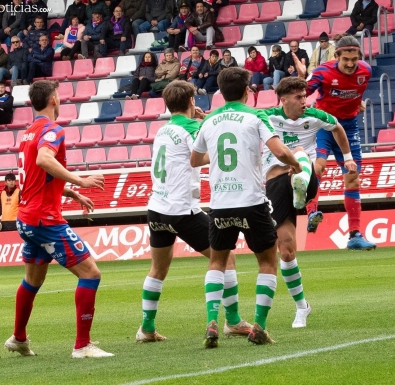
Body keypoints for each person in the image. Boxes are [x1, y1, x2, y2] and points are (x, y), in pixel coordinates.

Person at [190, 67, 303, 347]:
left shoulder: (210, 120)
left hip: (220, 205)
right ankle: (260, 327)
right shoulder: (256, 115)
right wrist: (297, 164)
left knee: (217, 262)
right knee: (267, 262)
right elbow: (279, 151)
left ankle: (212, 322)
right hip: (251, 202)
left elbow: (194, 159)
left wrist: (216, 158)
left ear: (220, 92)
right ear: (246, 91)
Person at [3, 80, 113, 359]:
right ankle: (82, 346)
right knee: (91, 273)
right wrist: (81, 180)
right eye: (59, 96)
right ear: (53, 100)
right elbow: (44, 160)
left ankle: (18, 338)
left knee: (32, 280)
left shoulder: (28, 132)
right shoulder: (53, 130)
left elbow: (37, 178)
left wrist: (72, 193)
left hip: (27, 219)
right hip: (44, 220)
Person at [137, 80, 252, 342]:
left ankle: (146, 328)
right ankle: (232, 321)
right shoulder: (192, 128)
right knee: (226, 258)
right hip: (182, 210)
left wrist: (201, 121)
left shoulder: (163, 131)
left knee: (157, 269)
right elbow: (219, 149)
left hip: (157, 209)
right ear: (192, 101)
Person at [262, 77, 356, 327]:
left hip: (306, 173)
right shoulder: (267, 116)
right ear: (283, 100)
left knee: (301, 154)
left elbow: (337, 127)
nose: (305, 101)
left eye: (305, 96)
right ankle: (302, 307)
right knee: (286, 249)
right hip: (277, 184)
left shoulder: (315, 116)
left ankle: (301, 185)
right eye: (299, 97)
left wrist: (347, 158)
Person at [301, 36, 376, 249]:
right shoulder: (322, 72)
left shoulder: (366, 71)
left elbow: (351, 91)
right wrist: (300, 79)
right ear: (337, 57)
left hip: (349, 127)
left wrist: (355, 102)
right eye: (346, 59)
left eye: (355, 59)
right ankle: (312, 213)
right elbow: (301, 92)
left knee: (353, 178)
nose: (351, 64)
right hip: (324, 124)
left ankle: (355, 236)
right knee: (319, 166)